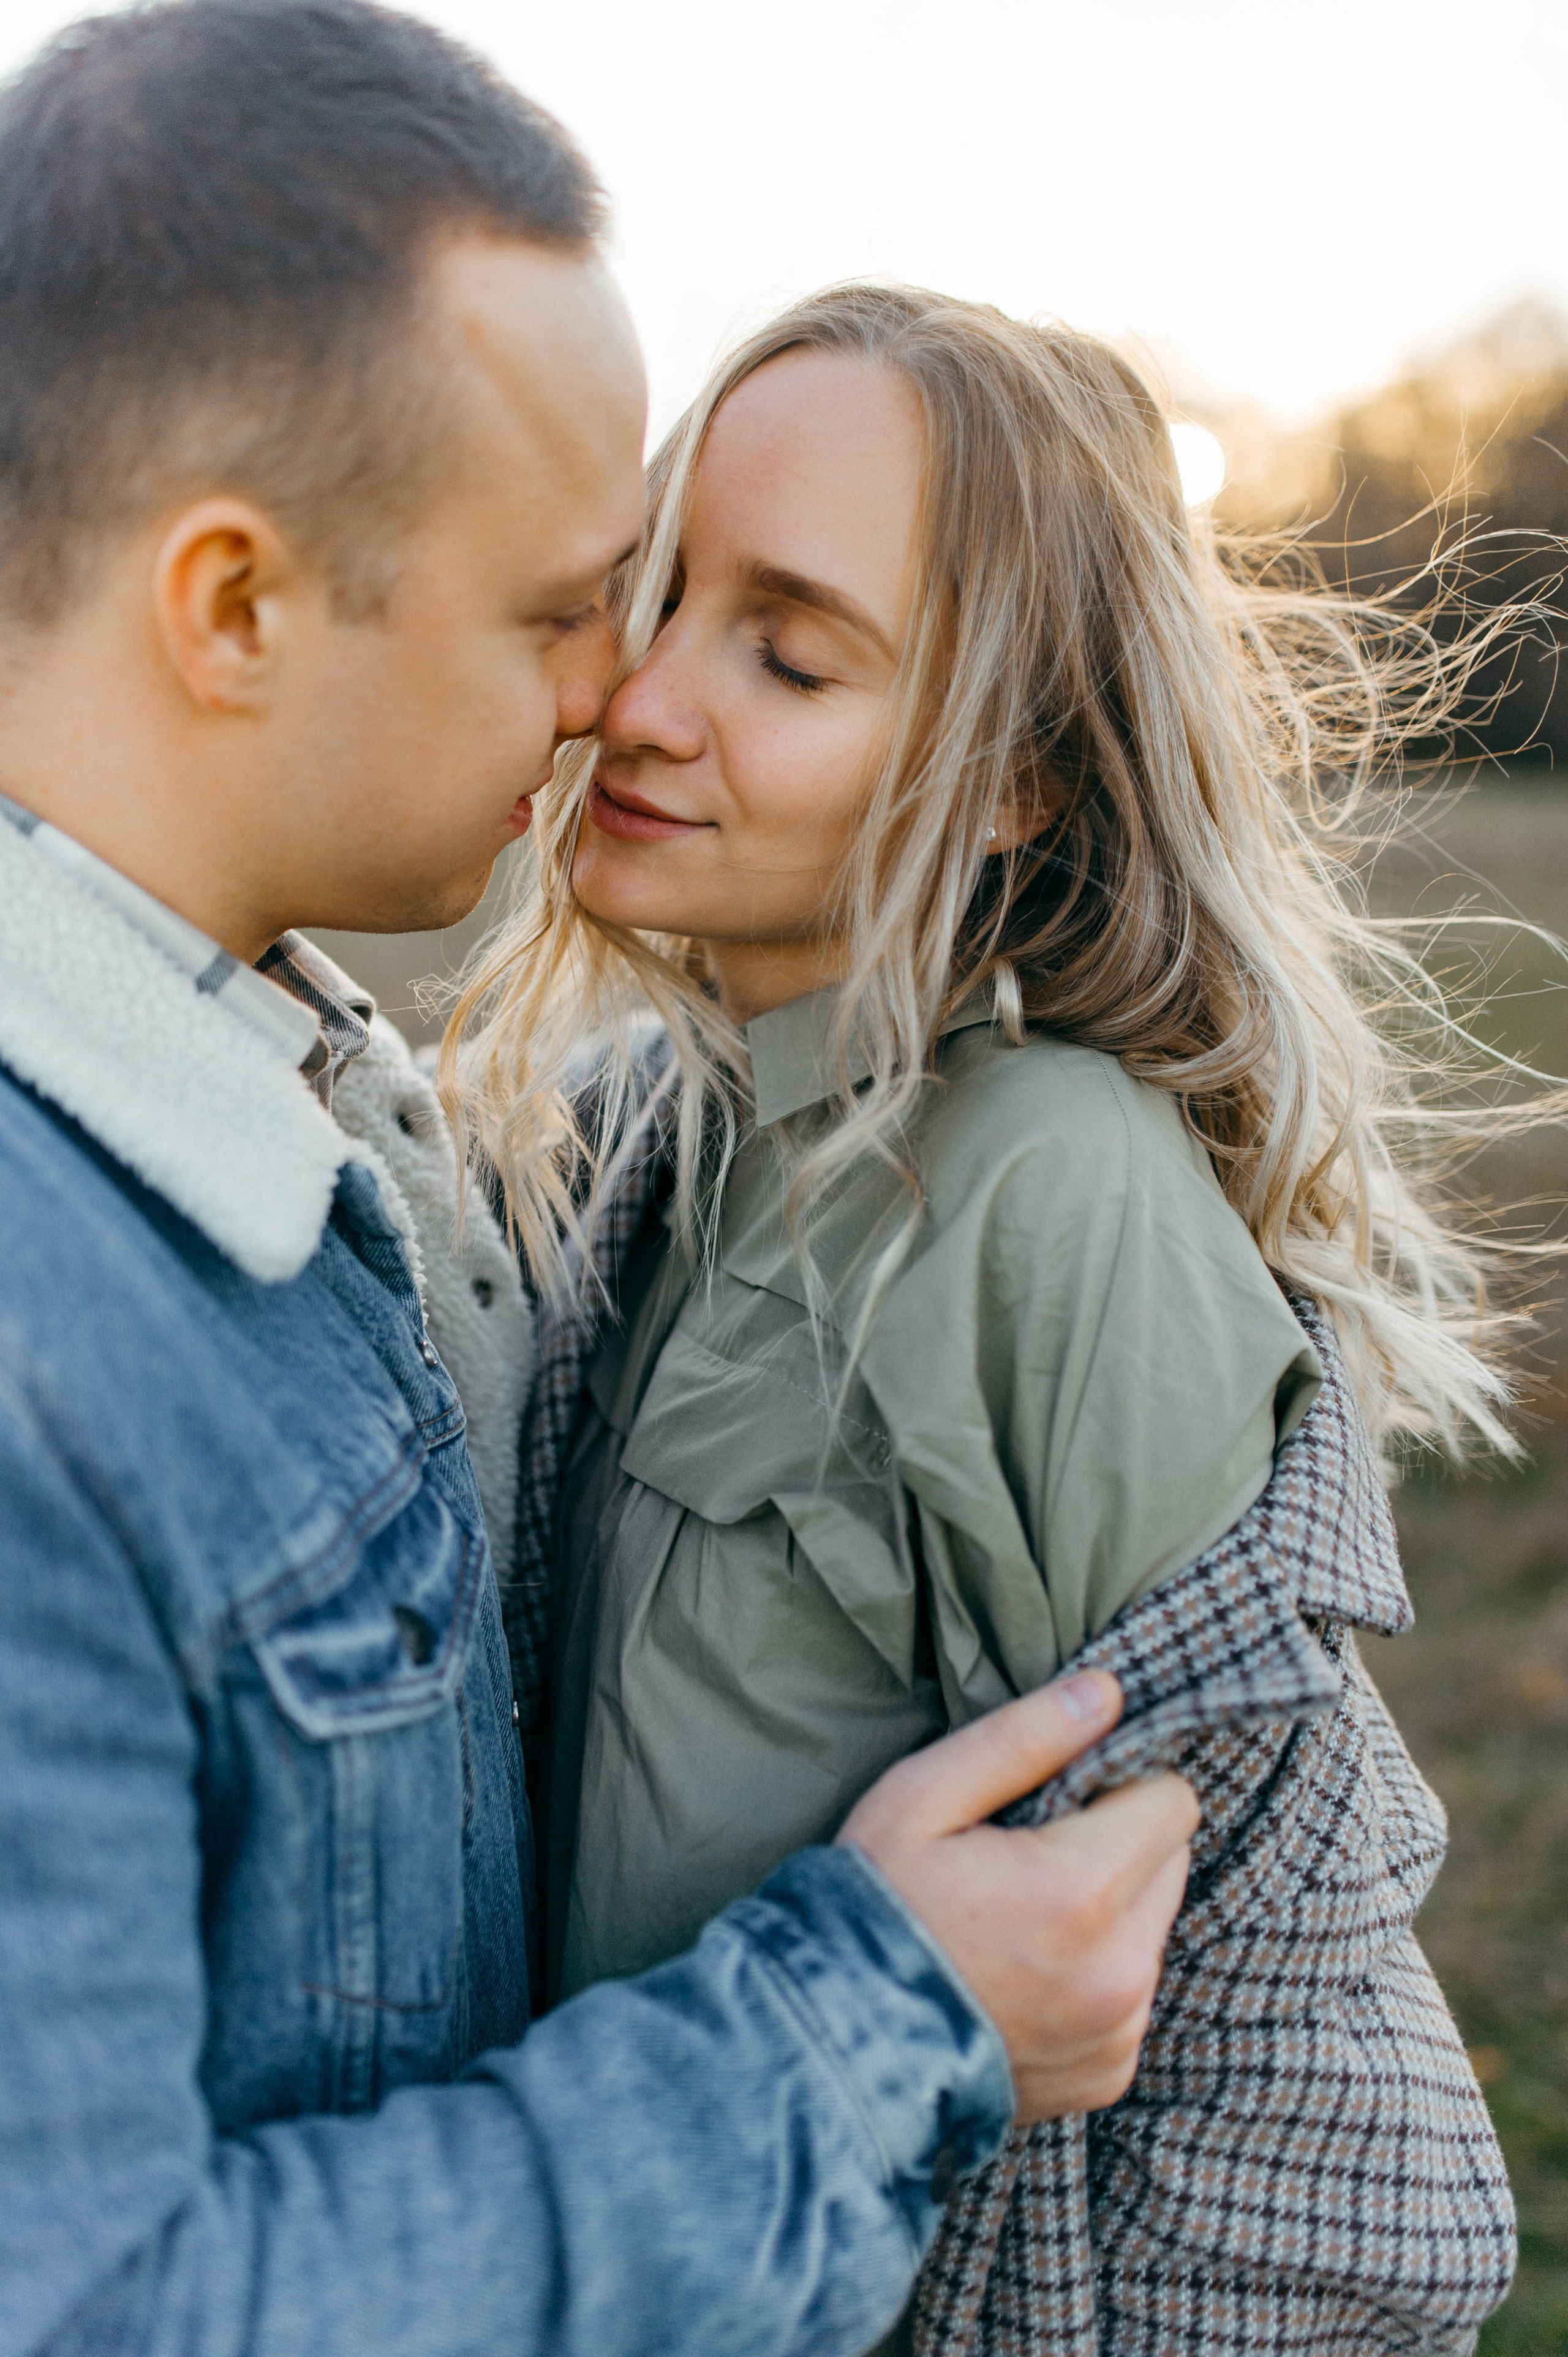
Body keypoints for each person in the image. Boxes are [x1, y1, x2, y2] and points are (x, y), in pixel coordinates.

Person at [0, 12, 1204, 2357]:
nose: (609, 701)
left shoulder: (315, 1113)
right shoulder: (41, 1341)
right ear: (234, 607)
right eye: (572, 606)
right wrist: (871, 2029)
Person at [450, 284, 1525, 2352]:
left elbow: (1265, 2011)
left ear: (1018, 782)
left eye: (789, 649)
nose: (647, 700)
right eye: (654, 594)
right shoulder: (659, 1137)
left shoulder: (1048, 1191)